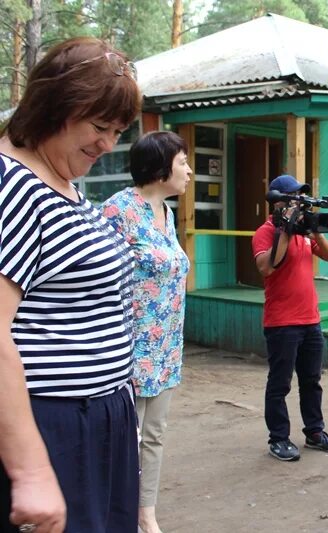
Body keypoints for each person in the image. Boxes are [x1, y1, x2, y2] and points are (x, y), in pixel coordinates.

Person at [0, 37, 140, 532]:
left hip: (97, 418)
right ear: (53, 107)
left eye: (118, 131)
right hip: (51, 426)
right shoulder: (12, 187)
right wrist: (31, 470)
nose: (108, 144)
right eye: (99, 127)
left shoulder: (60, 180)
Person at [102, 132, 192, 533]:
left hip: (167, 349)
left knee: (154, 437)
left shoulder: (167, 214)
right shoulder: (117, 211)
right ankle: (112, 516)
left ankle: (145, 514)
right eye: (183, 162)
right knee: (123, 443)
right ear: (160, 167)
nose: (189, 170)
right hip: (129, 353)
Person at [253, 175, 328, 461]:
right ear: (278, 202)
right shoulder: (265, 232)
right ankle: (278, 439)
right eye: (293, 198)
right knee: (280, 384)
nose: (299, 204)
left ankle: (315, 432)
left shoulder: (304, 235)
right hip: (282, 323)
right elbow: (268, 268)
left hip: (310, 321)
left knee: (311, 381)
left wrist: (315, 231)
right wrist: (285, 230)